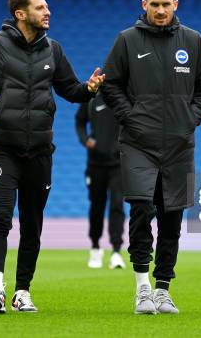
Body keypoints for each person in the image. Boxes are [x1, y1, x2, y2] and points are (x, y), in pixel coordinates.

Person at [0, 0, 104, 314]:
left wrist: (90, 89)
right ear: (21, 14)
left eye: (47, 7)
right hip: (2, 149)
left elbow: (70, 90)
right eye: (41, 7)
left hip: (40, 151)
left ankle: (22, 292)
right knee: (1, 216)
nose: (47, 12)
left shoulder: (53, 50)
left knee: (32, 223)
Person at [102, 0, 201, 315]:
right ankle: (142, 287)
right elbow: (111, 86)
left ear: (175, 5)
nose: (161, 10)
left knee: (172, 218)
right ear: (144, 5)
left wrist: (189, 120)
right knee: (141, 211)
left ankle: (163, 288)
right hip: (138, 142)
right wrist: (131, 117)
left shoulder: (193, 41)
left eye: (166, 4)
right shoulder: (127, 40)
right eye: (155, 4)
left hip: (179, 144)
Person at [75, 93, 125, 269]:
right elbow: (79, 121)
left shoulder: (124, 97)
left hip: (118, 164)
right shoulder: (90, 100)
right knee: (97, 205)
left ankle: (117, 251)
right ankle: (95, 247)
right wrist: (85, 139)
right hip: (96, 163)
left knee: (117, 204)